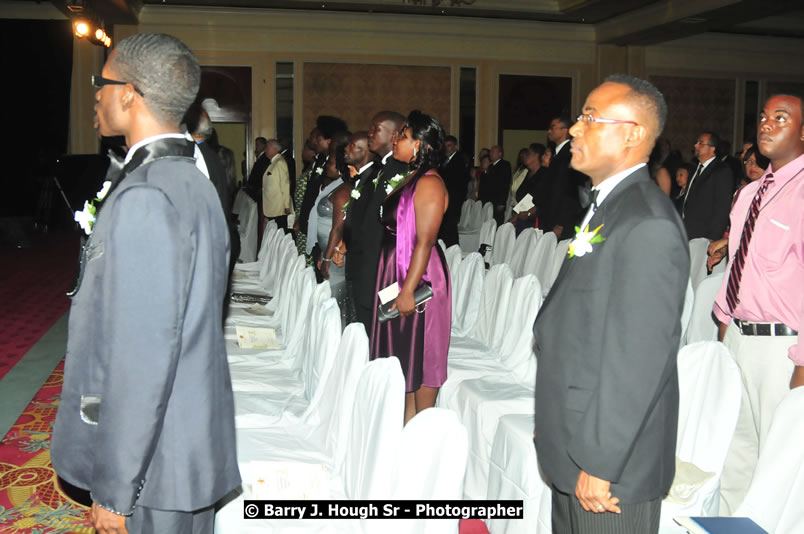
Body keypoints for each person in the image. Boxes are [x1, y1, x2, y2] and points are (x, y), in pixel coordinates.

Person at [51, 33, 239, 534]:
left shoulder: (148, 195)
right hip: (182, 443)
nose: (96, 93)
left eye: (102, 82)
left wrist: (116, 486)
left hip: (155, 463)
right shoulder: (194, 179)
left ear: (129, 94)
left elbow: (143, 354)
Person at [532, 75, 688, 534]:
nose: (576, 129)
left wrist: (600, 461)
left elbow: (639, 357)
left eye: (590, 118)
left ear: (633, 134)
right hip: (576, 438)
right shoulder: (609, 206)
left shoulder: (647, 222)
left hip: (609, 466)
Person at [712, 92, 804, 514]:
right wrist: (724, 324)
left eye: (780, 118)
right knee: (734, 455)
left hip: (781, 351)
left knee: (778, 466)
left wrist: (801, 364)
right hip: (739, 339)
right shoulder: (749, 193)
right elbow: (737, 266)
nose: (766, 124)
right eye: (763, 117)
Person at [370, 110, 451, 425]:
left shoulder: (429, 184)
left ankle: (423, 430)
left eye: (403, 136)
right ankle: (403, 427)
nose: (396, 140)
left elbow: (424, 242)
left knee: (423, 353)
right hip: (397, 269)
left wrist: (406, 291)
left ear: (419, 145)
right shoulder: (409, 178)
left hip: (421, 276)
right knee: (404, 356)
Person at [541, 115, 589, 239]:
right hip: (550, 216)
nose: (549, 131)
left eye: (553, 128)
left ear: (565, 130)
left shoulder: (571, 154)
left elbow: (571, 191)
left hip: (561, 221)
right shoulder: (557, 154)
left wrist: (562, 223)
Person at [682, 131, 734, 240]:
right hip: (688, 231)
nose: (695, 146)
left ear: (712, 148)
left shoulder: (721, 170)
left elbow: (722, 208)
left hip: (705, 235)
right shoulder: (695, 169)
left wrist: (713, 238)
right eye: (696, 143)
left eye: (701, 143)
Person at [508, 143, 549, 234]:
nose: (526, 156)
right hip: (523, 217)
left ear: (536, 155)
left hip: (535, 219)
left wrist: (528, 213)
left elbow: (542, 200)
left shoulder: (543, 174)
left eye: (529, 153)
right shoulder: (528, 173)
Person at [438, 134, 470, 246]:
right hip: (446, 197)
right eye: (446, 146)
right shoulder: (443, 160)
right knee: (445, 226)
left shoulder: (459, 160)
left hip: (454, 198)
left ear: (455, 146)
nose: (447, 148)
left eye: (450, 145)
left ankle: (453, 249)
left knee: (450, 227)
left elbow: (458, 182)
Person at [261, 138, 292, 232]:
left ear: (274, 149)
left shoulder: (280, 162)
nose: (265, 150)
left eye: (267, 147)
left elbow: (285, 185)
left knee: (279, 233)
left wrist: (287, 206)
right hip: (272, 206)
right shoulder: (273, 163)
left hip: (278, 208)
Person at [477, 144, 512, 225]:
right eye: (491, 152)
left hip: (498, 201)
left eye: (493, 151)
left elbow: (505, 184)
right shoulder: (491, 166)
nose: (490, 153)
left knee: (497, 223)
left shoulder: (504, 165)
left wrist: (502, 202)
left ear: (500, 154)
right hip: (489, 200)